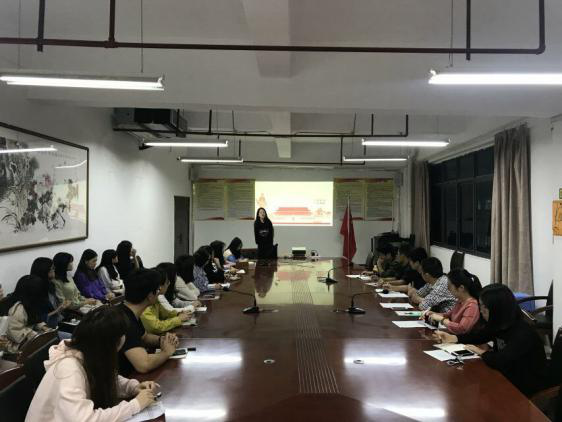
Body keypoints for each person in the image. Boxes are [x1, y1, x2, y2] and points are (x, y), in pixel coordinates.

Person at [25, 305, 157, 421]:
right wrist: (134, 405)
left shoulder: (90, 353)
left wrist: (133, 387)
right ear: (110, 344)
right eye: (122, 335)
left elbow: (106, 379)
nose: (124, 339)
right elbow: (84, 419)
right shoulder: (69, 368)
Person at [434, 284, 547, 396]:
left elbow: (500, 360)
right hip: (505, 375)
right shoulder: (499, 323)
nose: (481, 311)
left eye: (484, 307)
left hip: (523, 386)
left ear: (497, 309)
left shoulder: (522, 333)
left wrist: (481, 352)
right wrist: (453, 338)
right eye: (480, 306)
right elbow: (480, 336)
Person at [117, 268, 179, 376]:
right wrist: (166, 352)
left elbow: (144, 337)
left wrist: (163, 340)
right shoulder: (124, 320)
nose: (159, 293)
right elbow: (143, 365)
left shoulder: (127, 310)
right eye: (157, 290)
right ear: (150, 295)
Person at [424, 269, 482, 335]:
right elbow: (449, 315)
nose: (448, 289)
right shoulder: (460, 301)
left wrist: (442, 319)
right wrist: (434, 314)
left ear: (461, 288)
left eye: (449, 287)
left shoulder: (472, 305)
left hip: (464, 340)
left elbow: (462, 328)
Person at [5, 275, 51, 353]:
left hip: (30, 340)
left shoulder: (30, 304)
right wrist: (37, 335)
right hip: (17, 346)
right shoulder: (18, 309)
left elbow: (34, 320)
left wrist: (44, 327)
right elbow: (17, 335)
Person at [140, 269, 192, 335]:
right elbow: (156, 327)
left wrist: (178, 314)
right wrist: (178, 319)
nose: (169, 283)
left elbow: (165, 313)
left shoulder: (155, 298)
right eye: (167, 282)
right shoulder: (144, 304)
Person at [30, 257, 70, 328]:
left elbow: (56, 306)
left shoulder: (51, 284)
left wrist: (62, 306)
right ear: (44, 271)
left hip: (58, 320)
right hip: (46, 326)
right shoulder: (35, 291)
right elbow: (38, 319)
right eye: (52, 268)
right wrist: (58, 310)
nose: (54, 270)